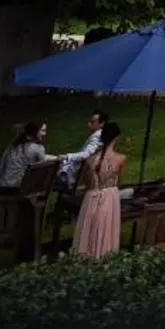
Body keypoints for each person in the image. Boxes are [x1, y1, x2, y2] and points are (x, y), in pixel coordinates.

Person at [72, 122, 126, 259]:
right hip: (109, 198)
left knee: (89, 231)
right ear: (117, 137)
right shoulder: (121, 159)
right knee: (106, 230)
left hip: (91, 198)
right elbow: (118, 182)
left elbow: (85, 182)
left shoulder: (90, 160)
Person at [0, 121, 50, 193]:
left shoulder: (15, 144)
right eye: (43, 131)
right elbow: (44, 166)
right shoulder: (38, 148)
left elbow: (1, 166)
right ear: (35, 131)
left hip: (3, 184)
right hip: (18, 187)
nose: (45, 134)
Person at [57, 110, 110, 191]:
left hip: (73, 177)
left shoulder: (97, 137)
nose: (89, 123)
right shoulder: (102, 136)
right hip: (82, 175)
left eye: (93, 122)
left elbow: (87, 154)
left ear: (101, 123)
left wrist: (68, 156)